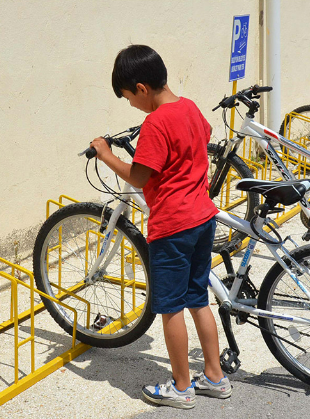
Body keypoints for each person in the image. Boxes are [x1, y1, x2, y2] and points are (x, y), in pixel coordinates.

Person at [90, 44, 232, 410]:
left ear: (141, 88)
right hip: (202, 217)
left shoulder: (155, 123)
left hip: (172, 226)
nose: (131, 106)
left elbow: (138, 176)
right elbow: (200, 135)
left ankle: (182, 386)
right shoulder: (188, 107)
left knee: (170, 308)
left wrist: (107, 155)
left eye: (128, 98)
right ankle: (214, 376)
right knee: (199, 299)